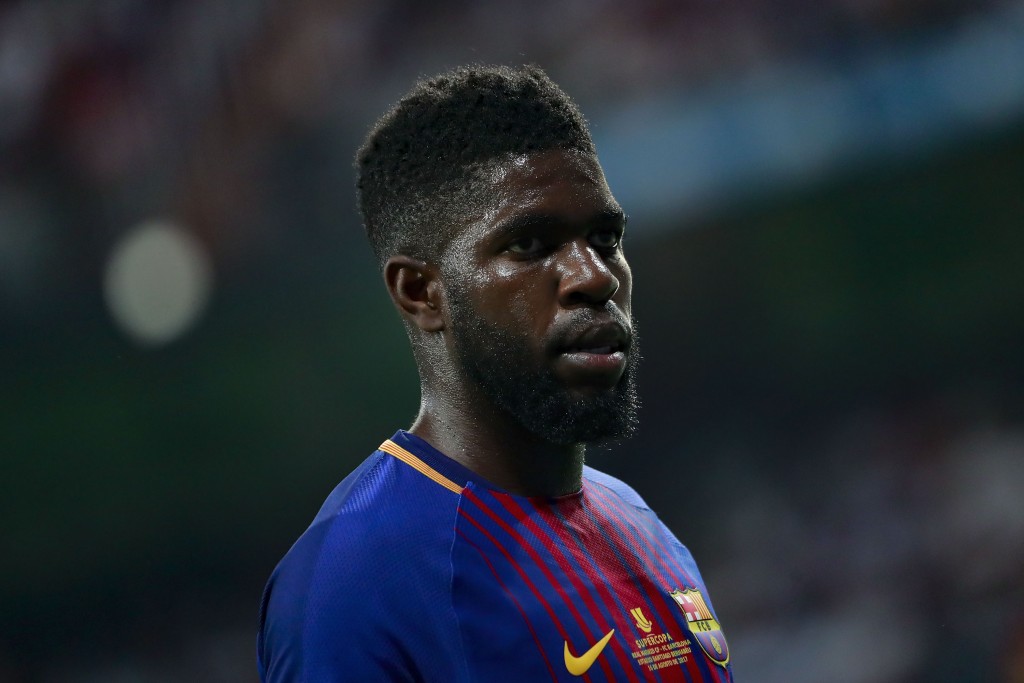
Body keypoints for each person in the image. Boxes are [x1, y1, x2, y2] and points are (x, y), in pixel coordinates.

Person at [257, 64, 733, 682]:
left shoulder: (640, 526)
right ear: (421, 291)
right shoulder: (354, 584)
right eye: (531, 245)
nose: (595, 276)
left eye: (605, 236)